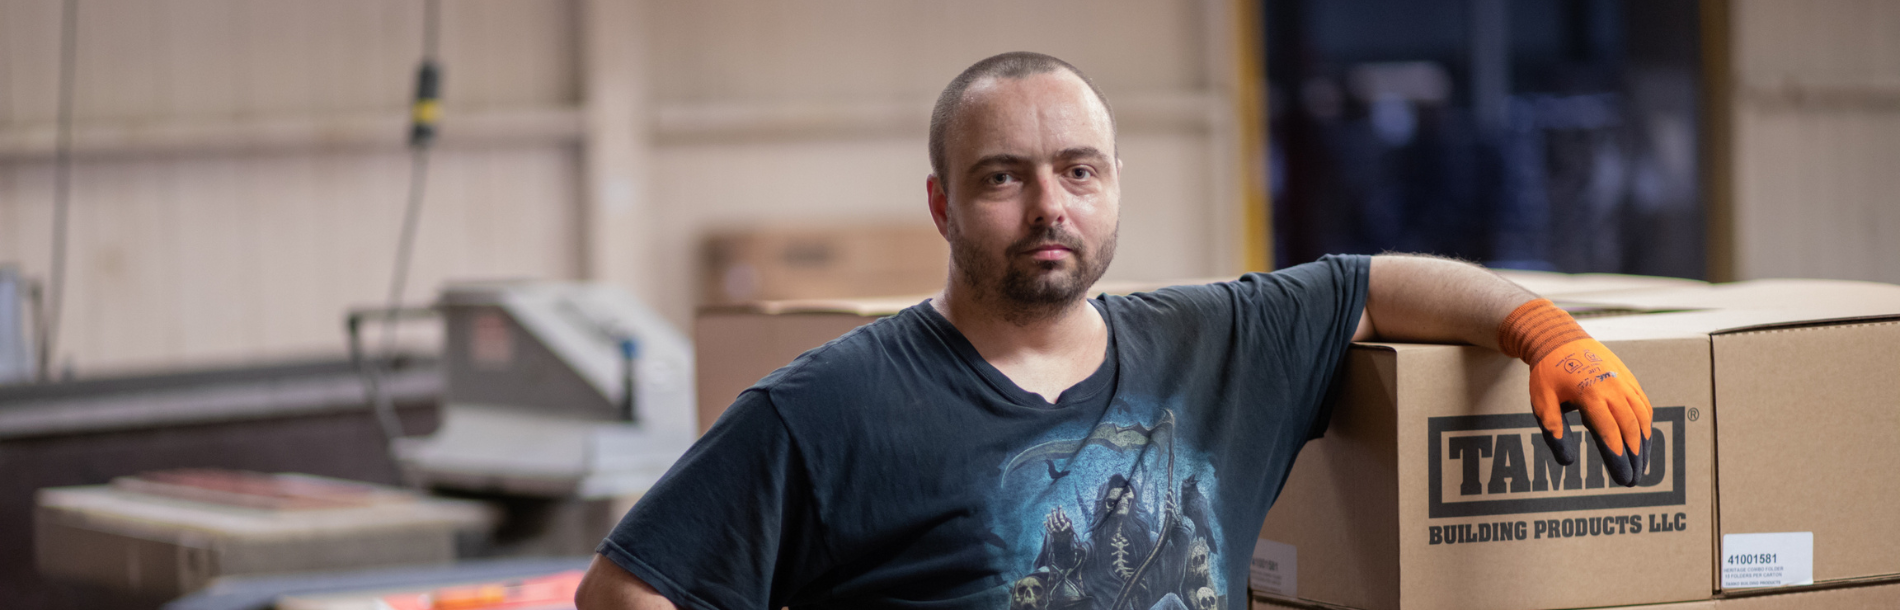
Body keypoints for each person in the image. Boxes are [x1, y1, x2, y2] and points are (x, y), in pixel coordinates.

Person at [575, 52, 1653, 610]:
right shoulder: (828, 405)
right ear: (943, 205)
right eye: (1003, 178)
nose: (1049, 207)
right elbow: (628, 587)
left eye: (1076, 172)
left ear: (1111, 188)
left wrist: (1539, 329)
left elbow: (1373, 283)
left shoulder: (1214, 346)